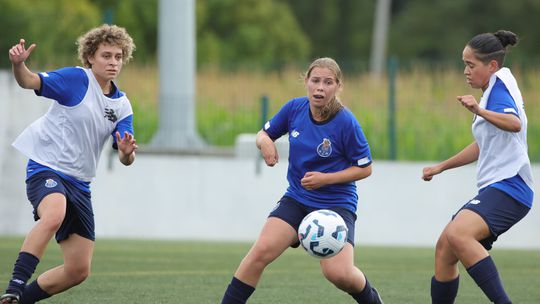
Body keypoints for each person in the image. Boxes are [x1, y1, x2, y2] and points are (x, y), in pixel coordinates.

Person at [220, 57, 383, 304]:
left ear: (338, 86)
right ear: (306, 81)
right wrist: (265, 142)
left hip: (335, 206)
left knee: (338, 274)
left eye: (328, 82)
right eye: (315, 80)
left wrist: (325, 179)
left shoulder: (346, 122)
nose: (320, 87)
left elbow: (365, 168)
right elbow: (264, 134)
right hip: (297, 198)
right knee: (260, 253)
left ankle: (371, 299)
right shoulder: (294, 109)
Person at [1, 24, 138, 304]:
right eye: (106, 56)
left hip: (80, 181)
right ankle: (14, 287)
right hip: (46, 167)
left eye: (118, 57)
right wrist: (18, 65)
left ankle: (19, 302)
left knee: (77, 270)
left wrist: (126, 152)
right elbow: (29, 81)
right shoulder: (76, 79)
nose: (113, 62)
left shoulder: (122, 105)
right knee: (54, 215)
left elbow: (126, 158)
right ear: (89, 57)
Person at [422, 30, 533, 304]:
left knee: (459, 233)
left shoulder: (497, 93)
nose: (465, 71)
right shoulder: (496, 88)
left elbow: (514, 123)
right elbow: (483, 145)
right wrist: (442, 167)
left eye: (471, 65)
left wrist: (479, 111)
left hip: (511, 187)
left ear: (492, 65)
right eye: (465, 64)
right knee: (445, 249)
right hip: (502, 186)